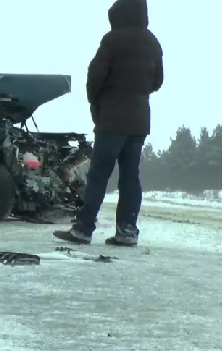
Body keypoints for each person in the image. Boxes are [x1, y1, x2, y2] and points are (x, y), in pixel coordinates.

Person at [54, 0, 162, 247]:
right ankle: (127, 231)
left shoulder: (112, 40)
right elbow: (158, 81)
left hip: (112, 119)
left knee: (99, 175)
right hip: (139, 121)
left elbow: (95, 76)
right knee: (130, 176)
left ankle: (83, 229)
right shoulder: (152, 42)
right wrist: (138, 92)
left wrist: (96, 101)